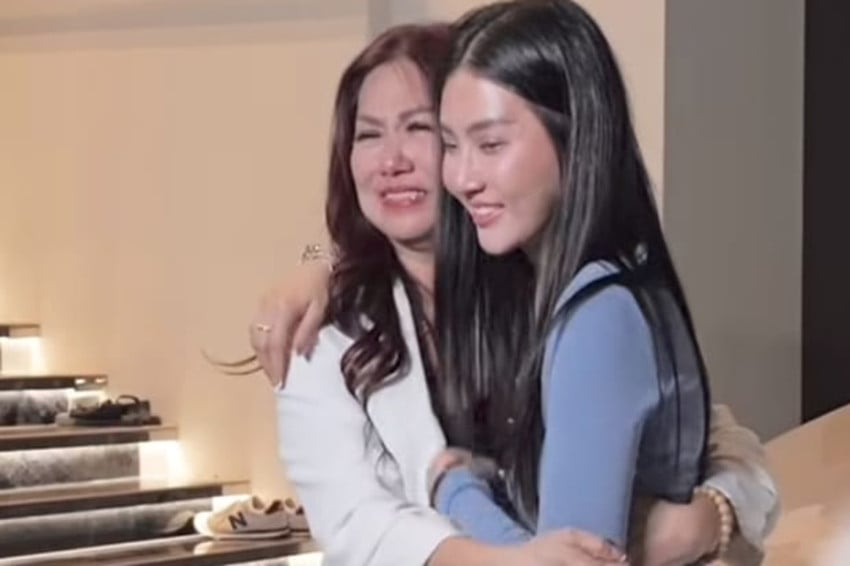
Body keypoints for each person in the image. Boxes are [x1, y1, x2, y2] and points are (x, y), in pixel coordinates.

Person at [241, 13, 778, 566]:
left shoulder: (549, 285)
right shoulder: (319, 327)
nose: (392, 161)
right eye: (369, 134)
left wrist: (710, 515)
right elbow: (357, 525)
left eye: (420, 129)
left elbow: (701, 433)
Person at [428, 0, 714, 554]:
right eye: (450, 144)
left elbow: (568, 559)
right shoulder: (598, 285)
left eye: (491, 144)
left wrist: (454, 490)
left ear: (575, 132)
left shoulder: (600, 314)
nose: (461, 177)